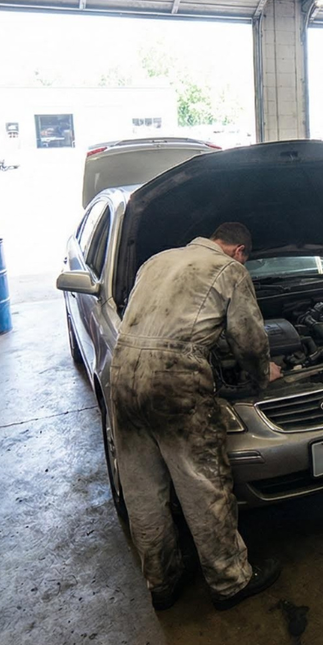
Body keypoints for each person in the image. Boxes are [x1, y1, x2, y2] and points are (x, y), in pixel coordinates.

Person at [109, 222, 283, 612]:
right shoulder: (229, 270)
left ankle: (161, 582)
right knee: (204, 484)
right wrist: (261, 376)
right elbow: (249, 340)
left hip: (122, 375)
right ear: (239, 251)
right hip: (175, 379)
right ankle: (230, 581)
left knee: (142, 489)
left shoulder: (157, 261)